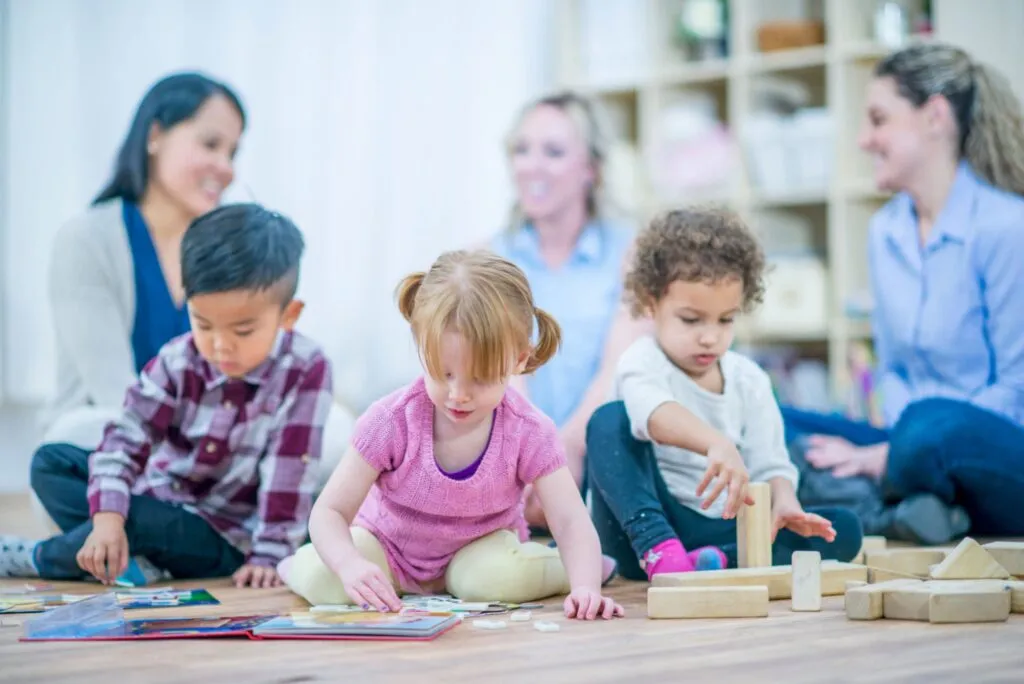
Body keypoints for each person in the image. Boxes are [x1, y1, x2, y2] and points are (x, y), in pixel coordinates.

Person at [1, 204, 334, 588]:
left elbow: (289, 471)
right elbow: (126, 437)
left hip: (226, 534)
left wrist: (269, 555)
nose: (220, 345)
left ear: (288, 315)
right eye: (203, 324)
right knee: (51, 463)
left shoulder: (305, 368)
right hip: (159, 497)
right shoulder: (178, 359)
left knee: (138, 522)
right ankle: (139, 557)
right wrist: (108, 518)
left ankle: (40, 558)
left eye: (243, 331)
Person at [277, 250, 623, 620]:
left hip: (479, 556)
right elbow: (329, 511)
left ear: (520, 360)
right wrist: (348, 565)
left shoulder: (529, 431)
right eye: (443, 374)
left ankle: (570, 567)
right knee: (326, 578)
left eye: (480, 378)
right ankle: (303, 566)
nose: (458, 395)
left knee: (494, 579)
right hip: (387, 549)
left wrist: (585, 587)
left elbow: (570, 520)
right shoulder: (390, 420)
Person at [783, 43, 1024, 543]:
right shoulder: (885, 231)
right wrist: (883, 448)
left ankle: (879, 499)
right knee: (771, 420)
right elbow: (892, 368)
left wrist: (888, 453)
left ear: (934, 116)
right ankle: (914, 511)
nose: (863, 139)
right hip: (906, 448)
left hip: (988, 450)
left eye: (878, 120)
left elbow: (1016, 390)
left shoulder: (1007, 228)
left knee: (929, 425)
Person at [586, 208, 863, 581]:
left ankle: (716, 559)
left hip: (719, 525)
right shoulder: (640, 360)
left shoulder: (750, 379)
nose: (710, 336)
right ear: (651, 304)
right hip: (638, 529)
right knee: (608, 421)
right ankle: (662, 553)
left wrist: (785, 501)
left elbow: (770, 463)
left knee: (843, 529)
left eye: (726, 319)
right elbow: (652, 414)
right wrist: (715, 442)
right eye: (691, 319)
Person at [43, 71, 246, 451]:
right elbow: (116, 394)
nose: (226, 167)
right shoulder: (87, 240)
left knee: (331, 429)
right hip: (106, 448)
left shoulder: (228, 251)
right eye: (210, 144)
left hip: (206, 448)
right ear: (155, 136)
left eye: (232, 153)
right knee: (84, 431)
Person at [490, 91, 649, 527]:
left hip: (603, 460)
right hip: (514, 465)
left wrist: (569, 448)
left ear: (591, 169)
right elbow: (502, 370)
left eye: (554, 152)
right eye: (522, 150)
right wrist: (535, 457)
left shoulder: (632, 253)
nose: (532, 165)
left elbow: (620, 365)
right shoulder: (488, 258)